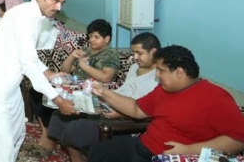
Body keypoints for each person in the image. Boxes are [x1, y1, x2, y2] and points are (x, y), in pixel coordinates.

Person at [0, 0, 77, 162]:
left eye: (62, 2)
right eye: (55, 1)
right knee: (2, 144)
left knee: (16, 135)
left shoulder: (34, 16)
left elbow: (29, 56)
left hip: (11, 86)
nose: (59, 7)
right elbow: (28, 64)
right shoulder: (24, 17)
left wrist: (50, 74)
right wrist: (58, 100)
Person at [88, 46, 244, 162]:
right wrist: (105, 93)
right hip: (143, 146)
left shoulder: (216, 98)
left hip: (172, 156)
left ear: (179, 72)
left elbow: (238, 140)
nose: (156, 74)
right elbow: (136, 109)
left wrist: (189, 150)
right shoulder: (164, 89)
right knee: (98, 152)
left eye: (161, 70)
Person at [48, 32, 161, 162]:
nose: (135, 57)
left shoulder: (159, 77)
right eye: (134, 53)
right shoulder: (135, 67)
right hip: (109, 105)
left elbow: (146, 109)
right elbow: (124, 91)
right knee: (60, 115)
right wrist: (102, 96)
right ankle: (74, 157)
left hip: (125, 121)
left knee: (74, 128)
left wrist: (120, 114)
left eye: (139, 53)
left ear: (153, 52)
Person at [30, 19, 119, 156]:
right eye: (90, 36)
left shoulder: (110, 54)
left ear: (107, 39)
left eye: (96, 37)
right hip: (73, 87)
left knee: (53, 101)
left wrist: (83, 66)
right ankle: (47, 134)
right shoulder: (86, 50)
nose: (91, 40)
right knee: (36, 92)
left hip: (90, 92)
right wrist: (72, 56)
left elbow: (106, 77)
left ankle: (51, 140)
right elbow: (66, 70)